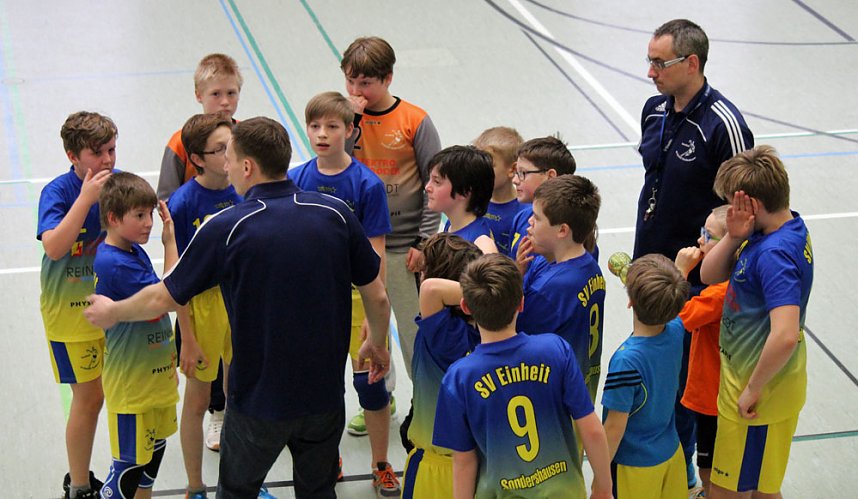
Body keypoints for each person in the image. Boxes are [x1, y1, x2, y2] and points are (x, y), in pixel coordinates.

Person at [84, 117, 392, 499]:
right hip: (324, 400)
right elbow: (376, 294)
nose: (226, 166)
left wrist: (113, 313)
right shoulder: (334, 214)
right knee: (318, 491)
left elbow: (165, 295)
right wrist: (377, 341)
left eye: (229, 158)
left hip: (256, 404)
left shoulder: (226, 226)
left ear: (248, 167)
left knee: (237, 492)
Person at [635, 20, 754, 488]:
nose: (649, 72)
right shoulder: (654, 109)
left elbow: (744, 213)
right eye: (648, 60)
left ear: (692, 63)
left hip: (697, 283)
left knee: (688, 383)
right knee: (658, 369)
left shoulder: (723, 124)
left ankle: (686, 473)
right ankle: (670, 466)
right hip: (654, 268)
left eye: (658, 63)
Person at [288, 91, 399, 496]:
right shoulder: (298, 179)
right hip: (314, 301)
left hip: (356, 300)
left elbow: (377, 253)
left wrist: (376, 316)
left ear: (350, 131)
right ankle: (328, 456)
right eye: (315, 126)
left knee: (369, 384)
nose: (322, 134)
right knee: (323, 386)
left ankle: (381, 462)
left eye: (332, 126)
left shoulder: (365, 184)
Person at [434, 254, 613, 499]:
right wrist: (603, 487)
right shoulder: (556, 350)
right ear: (521, 302)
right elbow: (591, 429)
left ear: (465, 307)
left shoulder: (459, 378)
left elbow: (464, 462)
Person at [701, 146, 813, 498]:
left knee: (726, 492)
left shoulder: (774, 255)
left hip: (754, 400)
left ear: (750, 203)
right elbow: (708, 275)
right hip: (774, 390)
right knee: (764, 490)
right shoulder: (783, 227)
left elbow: (784, 334)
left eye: (732, 203)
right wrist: (733, 235)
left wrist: (753, 388)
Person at [341, 35, 443, 384]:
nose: (356, 90)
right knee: (370, 330)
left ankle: (425, 404)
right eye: (350, 81)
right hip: (361, 246)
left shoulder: (415, 120)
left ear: (387, 79)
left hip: (405, 249)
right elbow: (335, 163)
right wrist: (351, 123)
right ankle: (377, 398)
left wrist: (425, 242)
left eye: (365, 83)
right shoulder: (342, 121)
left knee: (414, 332)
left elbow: (436, 182)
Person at [157, 53, 244, 451]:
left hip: (239, 285)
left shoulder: (246, 137)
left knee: (238, 364)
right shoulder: (182, 145)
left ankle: (234, 420)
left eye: (231, 93)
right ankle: (215, 414)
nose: (224, 101)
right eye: (216, 94)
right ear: (199, 95)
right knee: (204, 368)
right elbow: (166, 202)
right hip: (200, 286)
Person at [166, 114, 248, 499]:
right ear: (197, 159)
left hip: (240, 298)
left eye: (231, 145)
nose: (229, 154)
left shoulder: (243, 189)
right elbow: (178, 278)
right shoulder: (184, 204)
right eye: (220, 149)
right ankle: (196, 487)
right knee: (198, 401)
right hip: (200, 308)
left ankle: (243, 482)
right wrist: (187, 336)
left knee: (241, 396)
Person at [38, 111, 115, 499]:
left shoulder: (117, 186)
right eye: (97, 153)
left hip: (112, 311)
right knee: (90, 398)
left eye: (111, 150)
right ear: (73, 156)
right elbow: (54, 246)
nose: (107, 160)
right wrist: (85, 200)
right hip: (70, 318)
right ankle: (79, 485)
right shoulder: (57, 192)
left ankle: (123, 473)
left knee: (117, 392)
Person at [93, 172, 179, 499]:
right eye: (139, 216)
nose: (149, 223)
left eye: (150, 215)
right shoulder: (114, 262)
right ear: (114, 219)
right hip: (133, 384)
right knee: (128, 470)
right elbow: (168, 297)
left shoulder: (132, 250)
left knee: (154, 451)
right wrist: (170, 242)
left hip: (154, 375)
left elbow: (164, 291)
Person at [601, 253, 690, 499]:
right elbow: (670, 295)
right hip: (671, 453)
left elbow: (613, 429)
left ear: (630, 302)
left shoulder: (626, 362)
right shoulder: (676, 329)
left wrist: (600, 480)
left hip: (636, 467)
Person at [400, 233, 482, 498]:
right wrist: (494, 294)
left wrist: (486, 292)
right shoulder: (490, 331)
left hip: (434, 468)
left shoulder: (443, 335)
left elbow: (430, 289)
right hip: (480, 465)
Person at [515, 176, 605, 401]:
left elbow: (514, 340)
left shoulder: (550, 290)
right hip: (580, 390)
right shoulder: (590, 266)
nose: (529, 224)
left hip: (552, 402)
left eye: (536, 218)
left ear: (562, 230)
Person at [674, 205, 730, 498]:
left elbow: (678, 314)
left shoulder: (719, 294)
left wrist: (680, 272)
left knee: (709, 468)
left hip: (713, 399)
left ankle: (709, 491)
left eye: (708, 236)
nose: (700, 241)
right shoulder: (729, 286)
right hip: (717, 396)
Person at [506, 135, 577, 259]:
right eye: (516, 172)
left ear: (550, 176)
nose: (515, 180)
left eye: (523, 173)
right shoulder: (522, 217)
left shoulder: (571, 236)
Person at [425, 145, 498, 253]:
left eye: (437, 182)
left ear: (465, 191)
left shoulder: (482, 246)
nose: (427, 187)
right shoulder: (451, 224)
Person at [472, 126, 525, 254]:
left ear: (512, 169)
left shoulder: (524, 211)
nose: (480, 170)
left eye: (488, 165)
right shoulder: (471, 201)